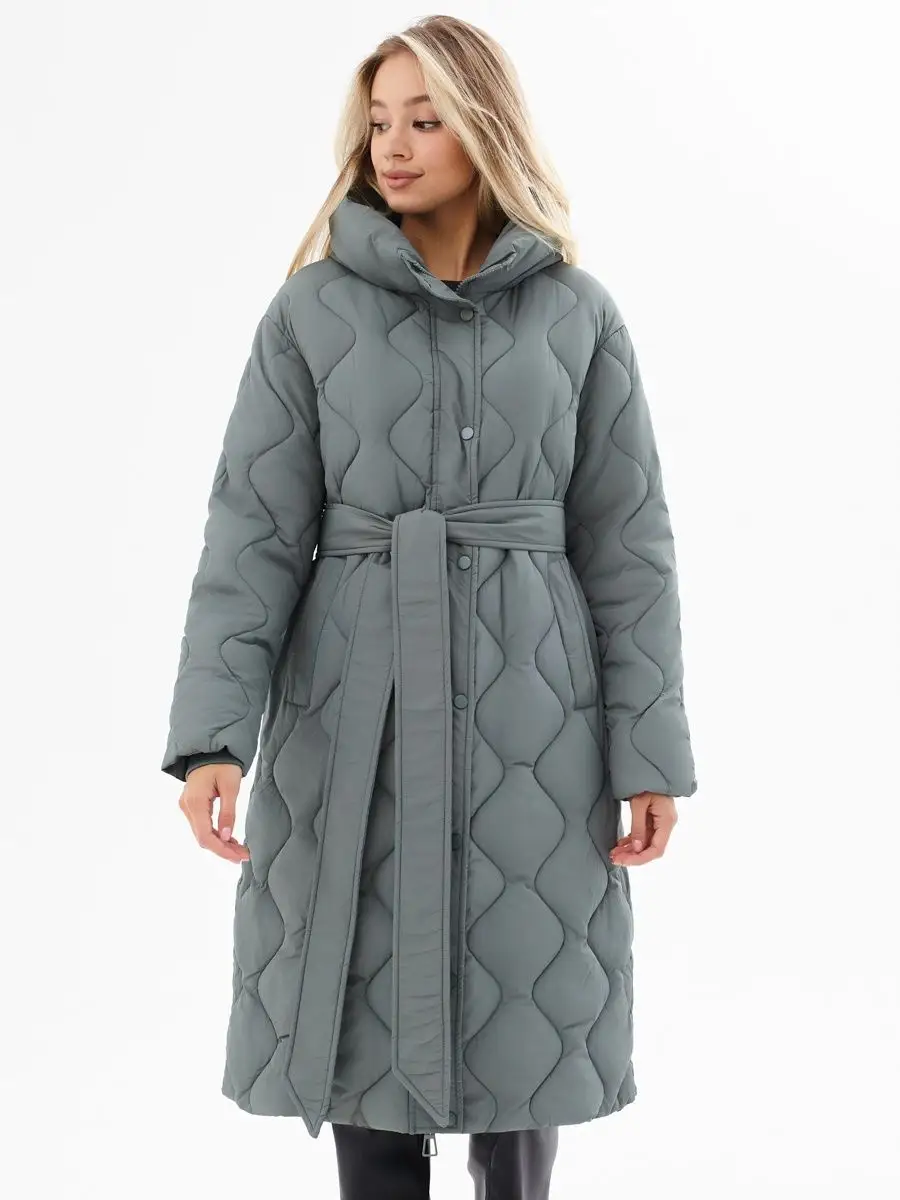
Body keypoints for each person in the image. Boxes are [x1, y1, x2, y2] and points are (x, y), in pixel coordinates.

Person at [160, 13, 697, 1200]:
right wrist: (211, 739)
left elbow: (629, 545)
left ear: (486, 127)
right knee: (356, 1016)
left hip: (537, 712)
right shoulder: (309, 314)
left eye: (426, 119)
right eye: (379, 122)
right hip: (349, 699)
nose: (393, 147)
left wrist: (648, 751)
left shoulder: (578, 314)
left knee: (525, 1016)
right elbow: (250, 535)